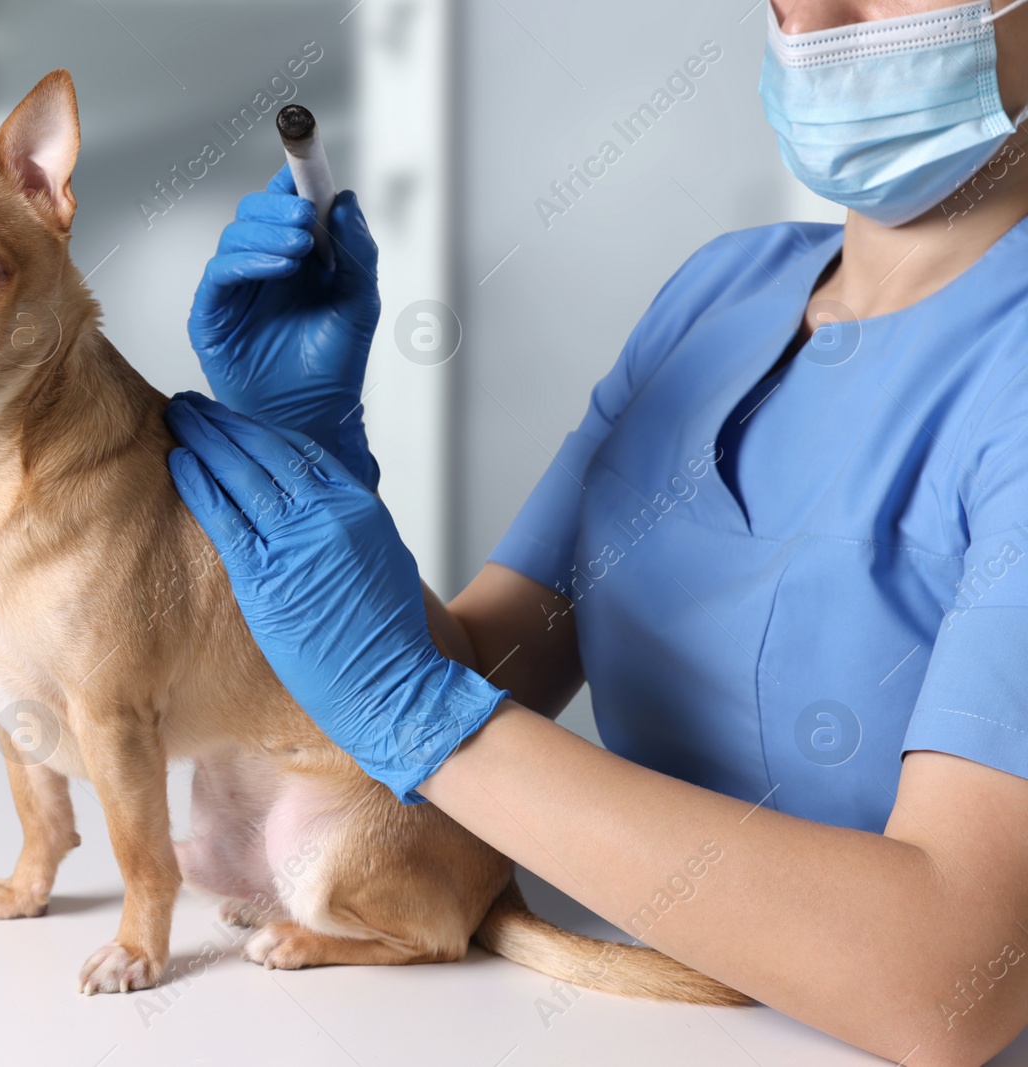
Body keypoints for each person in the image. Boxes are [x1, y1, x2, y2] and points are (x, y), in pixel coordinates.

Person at [163, 1, 1028, 1063]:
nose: (812, 14)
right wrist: (310, 451)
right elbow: (486, 670)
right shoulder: (723, 289)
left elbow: (952, 980)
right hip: (623, 1001)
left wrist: (418, 712)